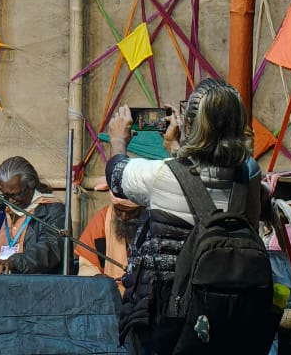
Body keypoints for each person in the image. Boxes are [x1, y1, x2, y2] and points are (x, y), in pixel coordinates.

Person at [108, 78, 262, 355]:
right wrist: (177, 145)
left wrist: (119, 140)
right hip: (233, 313)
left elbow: (117, 176)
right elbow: (205, 172)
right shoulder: (249, 173)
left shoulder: (161, 174)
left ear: (190, 124)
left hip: (169, 316)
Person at [75, 181, 143, 291]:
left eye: (130, 212)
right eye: (119, 210)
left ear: (141, 208)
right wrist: (96, 278)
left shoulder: (154, 222)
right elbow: (86, 265)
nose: (124, 216)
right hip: (109, 295)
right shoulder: (102, 220)